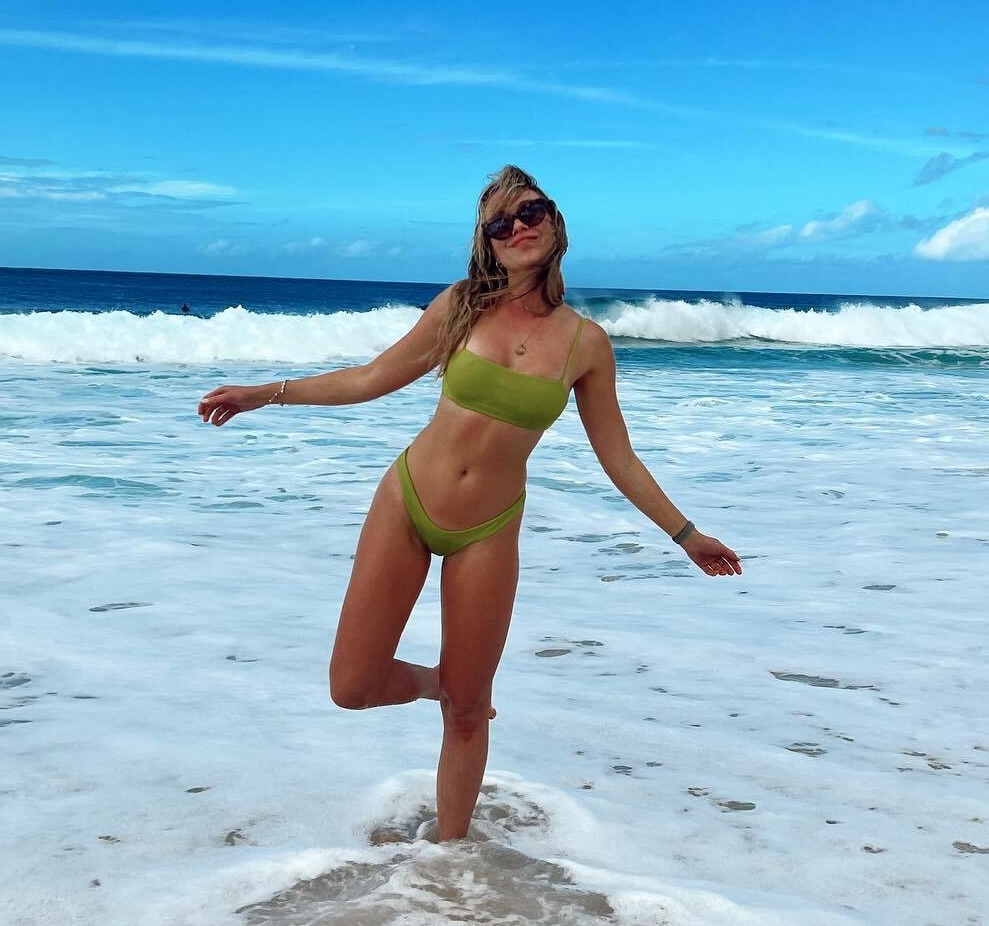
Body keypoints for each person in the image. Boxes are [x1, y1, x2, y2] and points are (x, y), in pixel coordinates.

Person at [196, 164, 742, 842]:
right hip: (408, 501)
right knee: (352, 687)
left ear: (556, 222)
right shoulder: (461, 306)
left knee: (468, 711)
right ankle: (437, 681)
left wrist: (686, 535)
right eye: (500, 223)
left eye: (530, 212)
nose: (518, 228)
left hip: (489, 527)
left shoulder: (587, 344)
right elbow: (370, 378)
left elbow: (618, 458)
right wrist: (265, 393)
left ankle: (450, 860)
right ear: (487, 242)